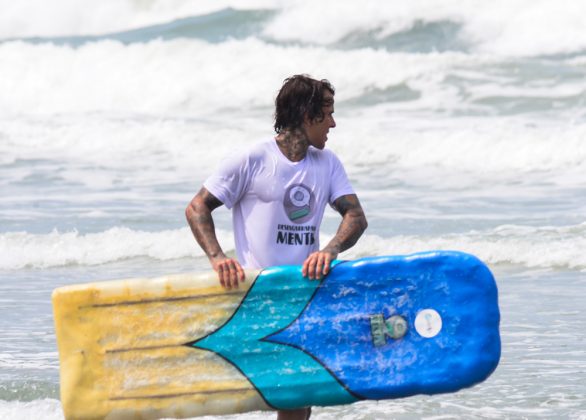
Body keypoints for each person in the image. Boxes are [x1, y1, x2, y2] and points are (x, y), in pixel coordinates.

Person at [185, 74, 367, 420]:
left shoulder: (327, 164)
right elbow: (197, 208)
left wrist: (330, 249)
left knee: (299, 397)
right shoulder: (252, 159)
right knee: (275, 394)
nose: (333, 122)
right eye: (327, 112)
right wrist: (218, 257)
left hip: (303, 293)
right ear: (305, 113)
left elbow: (355, 216)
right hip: (256, 294)